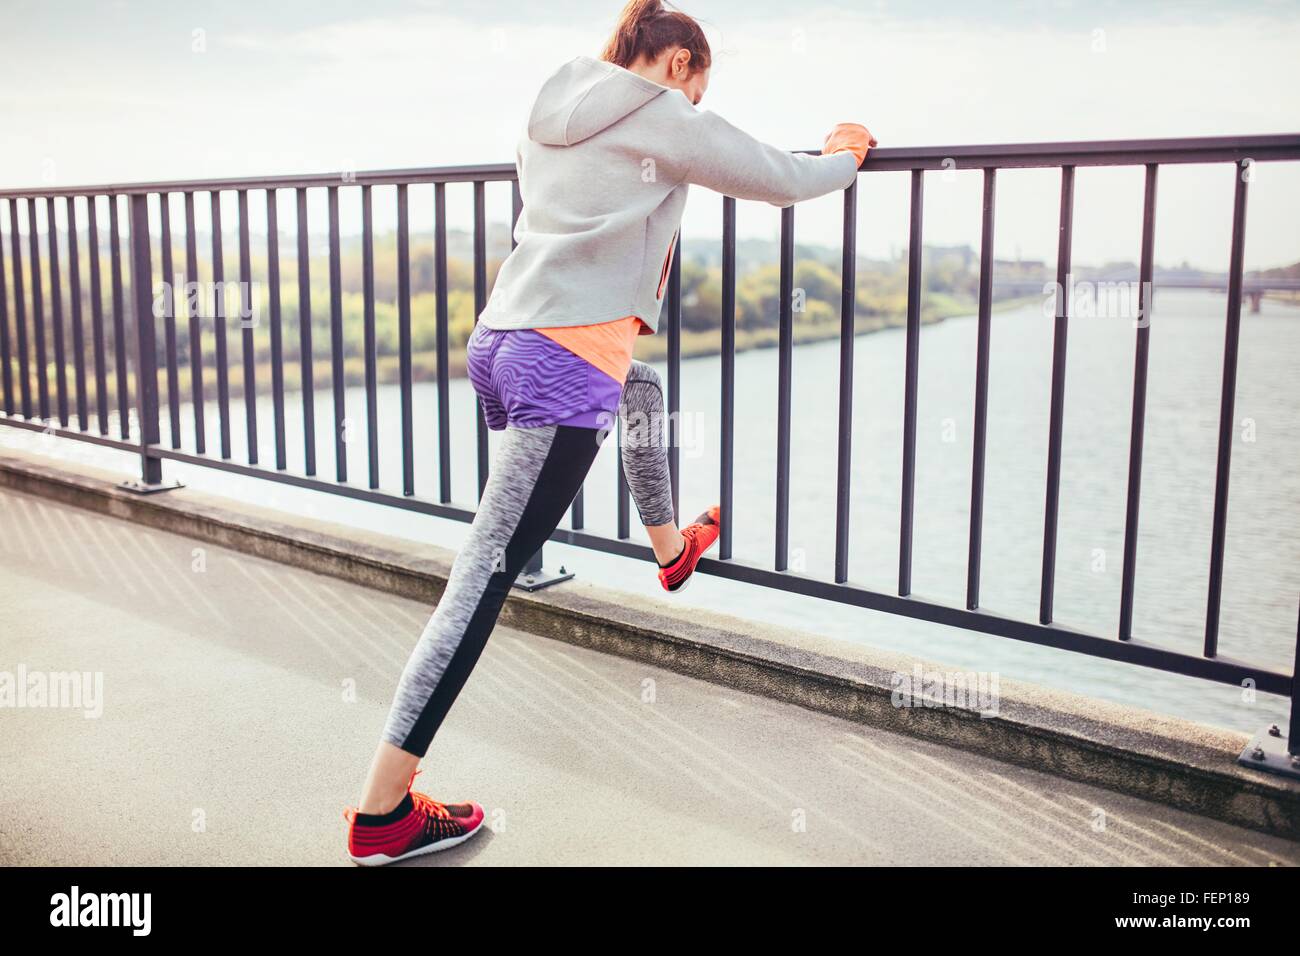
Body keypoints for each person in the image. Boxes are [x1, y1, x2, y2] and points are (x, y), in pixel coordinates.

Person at [343, 0, 876, 865]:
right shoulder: (663, 113)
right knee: (481, 577)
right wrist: (846, 154)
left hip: (505, 337)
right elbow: (781, 178)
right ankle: (382, 813)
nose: (696, 110)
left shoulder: (554, 104)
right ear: (677, 65)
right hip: (562, 359)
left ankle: (667, 547)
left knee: (642, 387)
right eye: (699, 90)